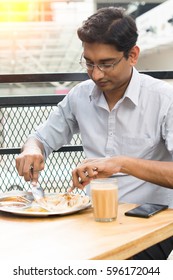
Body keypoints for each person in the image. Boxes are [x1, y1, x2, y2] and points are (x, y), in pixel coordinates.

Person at [15, 7, 173, 259]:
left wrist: (121, 163)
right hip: (92, 217)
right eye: (89, 63)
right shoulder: (80, 95)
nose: (96, 74)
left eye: (106, 64)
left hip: (151, 221)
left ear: (132, 55)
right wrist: (32, 149)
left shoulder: (164, 99)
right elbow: (41, 138)